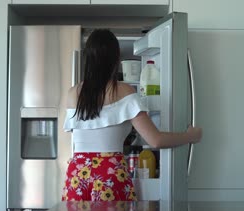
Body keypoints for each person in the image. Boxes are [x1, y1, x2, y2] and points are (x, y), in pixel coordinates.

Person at [62, 29, 202, 202]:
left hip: (77, 173)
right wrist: (189, 136)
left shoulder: (72, 93)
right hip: (109, 173)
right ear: (115, 58)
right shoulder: (123, 90)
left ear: (88, 58)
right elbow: (155, 140)